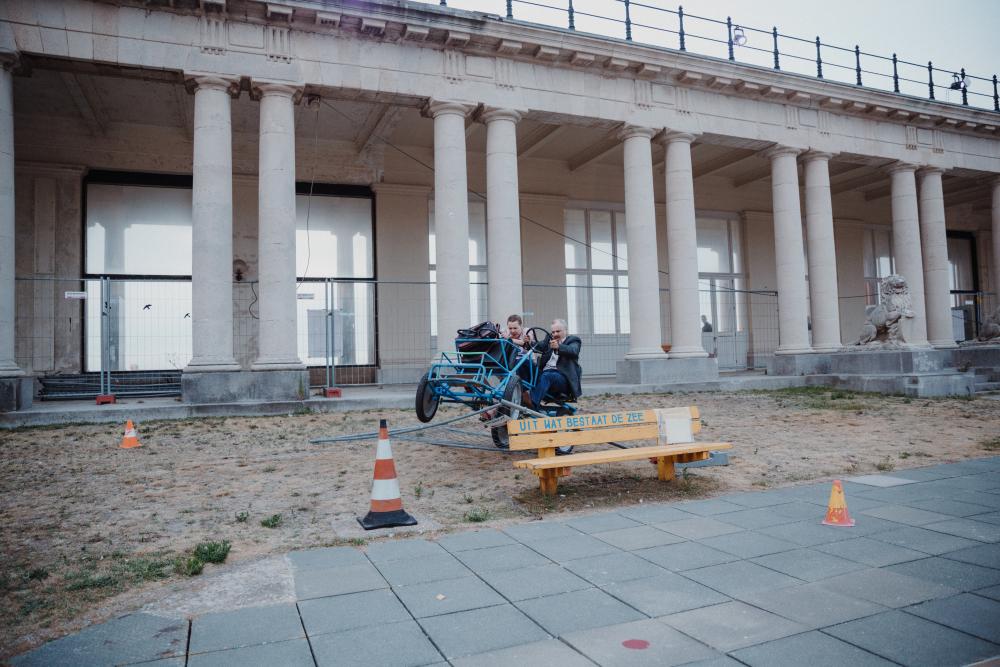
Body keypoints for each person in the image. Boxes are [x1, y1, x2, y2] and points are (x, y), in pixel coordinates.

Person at [529, 318, 582, 410]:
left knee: (548, 375)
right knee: (525, 365)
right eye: (553, 332)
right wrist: (529, 342)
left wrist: (558, 347)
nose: (555, 334)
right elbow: (539, 346)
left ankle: (532, 405)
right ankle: (519, 399)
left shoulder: (574, 340)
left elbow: (573, 350)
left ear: (565, 330)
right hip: (545, 373)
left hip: (562, 378)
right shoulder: (549, 339)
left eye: (558, 331)